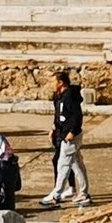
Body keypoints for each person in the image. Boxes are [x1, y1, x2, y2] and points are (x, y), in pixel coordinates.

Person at [40, 68, 91, 208]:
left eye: (53, 81)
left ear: (61, 82)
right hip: (63, 134)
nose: (51, 84)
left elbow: (77, 116)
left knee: (62, 165)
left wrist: (72, 133)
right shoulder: (59, 96)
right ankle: (84, 193)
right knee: (77, 165)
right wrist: (54, 128)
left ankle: (56, 195)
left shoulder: (69, 97)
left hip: (70, 137)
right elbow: (58, 115)